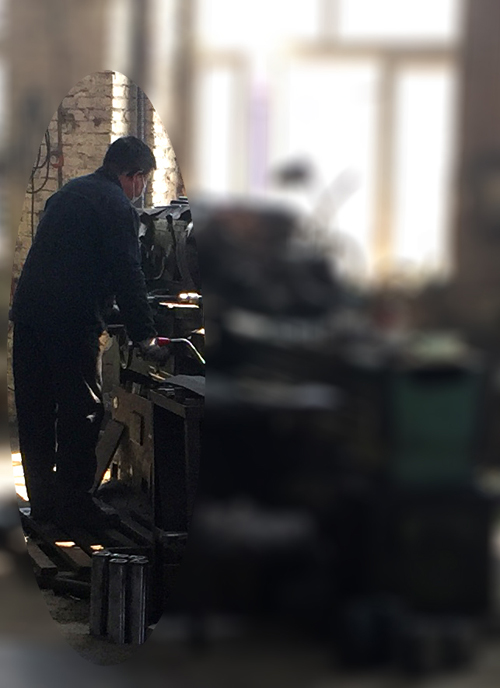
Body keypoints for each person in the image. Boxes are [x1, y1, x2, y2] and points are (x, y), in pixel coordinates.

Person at [11, 136, 169, 531]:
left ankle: (43, 506)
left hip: (28, 316)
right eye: (144, 181)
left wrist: (107, 307)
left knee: (35, 413)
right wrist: (145, 336)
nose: (142, 189)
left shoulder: (68, 193)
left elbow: (71, 260)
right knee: (81, 412)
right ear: (134, 175)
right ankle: (76, 507)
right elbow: (128, 273)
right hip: (70, 323)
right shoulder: (117, 206)